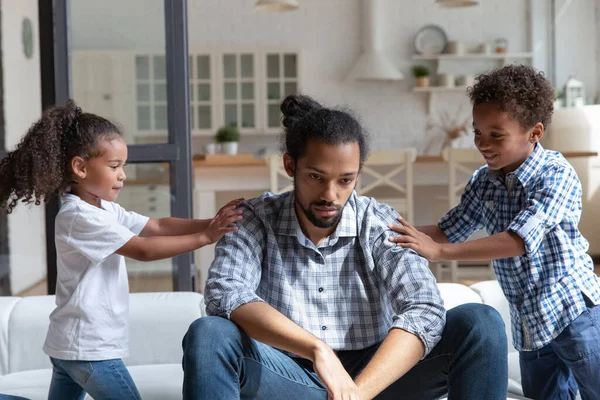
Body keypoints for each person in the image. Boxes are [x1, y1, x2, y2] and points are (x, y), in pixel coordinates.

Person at [181, 94, 508, 400]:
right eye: (315, 177)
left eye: (345, 180)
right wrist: (317, 350)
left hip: (379, 378)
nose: (330, 195)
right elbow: (226, 293)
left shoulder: (379, 222)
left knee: (480, 323)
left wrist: (357, 393)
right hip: (291, 375)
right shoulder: (253, 219)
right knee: (209, 333)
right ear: (290, 166)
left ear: (358, 174)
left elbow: (423, 309)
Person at [0, 100, 243, 400]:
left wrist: (212, 222)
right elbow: (142, 249)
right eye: (114, 166)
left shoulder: (103, 209)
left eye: (122, 166)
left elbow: (156, 226)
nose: (122, 175)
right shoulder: (78, 217)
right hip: (88, 348)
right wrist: (205, 237)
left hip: (72, 345)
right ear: (80, 167)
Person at [389, 65, 600, 400]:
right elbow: (449, 229)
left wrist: (438, 252)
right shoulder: (483, 181)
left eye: (496, 135)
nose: (482, 144)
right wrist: (392, 232)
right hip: (530, 326)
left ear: (535, 132)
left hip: (573, 313)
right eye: (477, 132)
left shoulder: (556, 175)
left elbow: (517, 241)